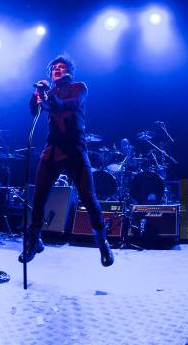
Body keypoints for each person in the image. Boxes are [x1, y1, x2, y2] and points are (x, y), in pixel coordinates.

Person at [18, 55, 113, 267]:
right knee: (39, 194)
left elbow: (64, 105)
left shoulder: (79, 88)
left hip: (75, 149)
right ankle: (34, 241)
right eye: (54, 68)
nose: (57, 70)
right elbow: (35, 111)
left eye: (61, 67)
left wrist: (48, 96)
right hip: (52, 148)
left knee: (88, 197)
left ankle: (103, 242)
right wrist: (37, 94)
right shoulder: (49, 92)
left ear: (68, 71)